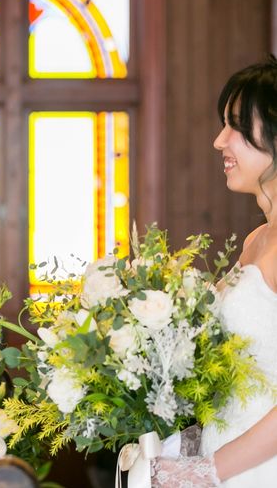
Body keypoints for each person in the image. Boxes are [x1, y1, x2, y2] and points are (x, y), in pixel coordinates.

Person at [151, 57, 277, 486]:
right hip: (227, 454)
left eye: (236, 127)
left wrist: (208, 471)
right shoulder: (257, 240)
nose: (219, 140)